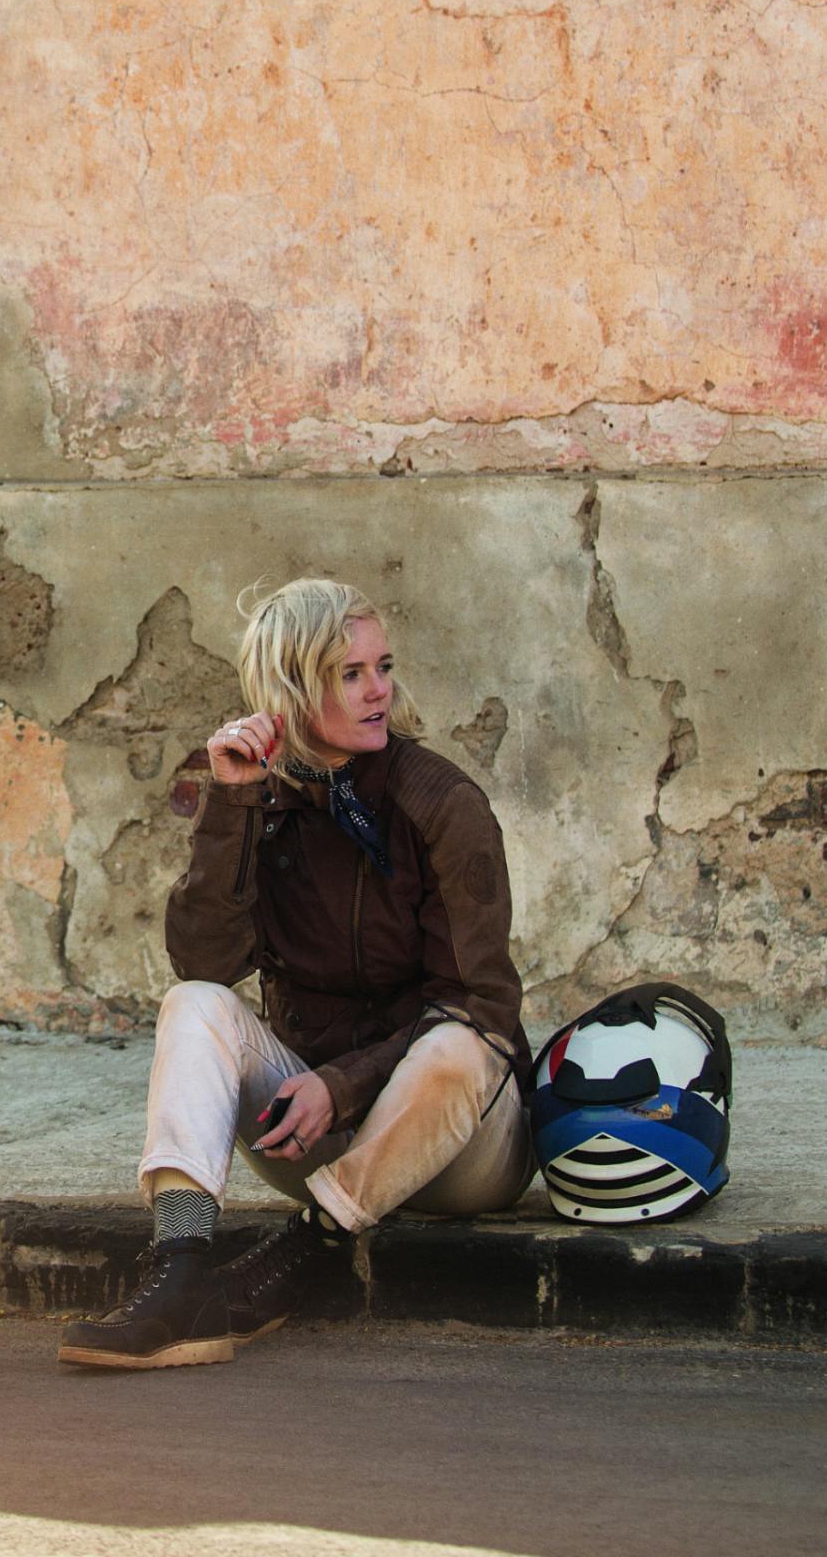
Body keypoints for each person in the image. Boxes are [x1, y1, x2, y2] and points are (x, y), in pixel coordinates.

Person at [58, 577, 531, 1369]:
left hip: (461, 1147)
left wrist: (342, 1083)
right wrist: (233, 804)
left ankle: (303, 1255)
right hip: (315, 1132)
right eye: (350, 674)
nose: (380, 690)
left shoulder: (442, 803)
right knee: (196, 1003)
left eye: (382, 666)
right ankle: (180, 1275)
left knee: (459, 1046)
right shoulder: (264, 800)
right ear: (289, 687)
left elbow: (482, 1005)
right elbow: (206, 961)